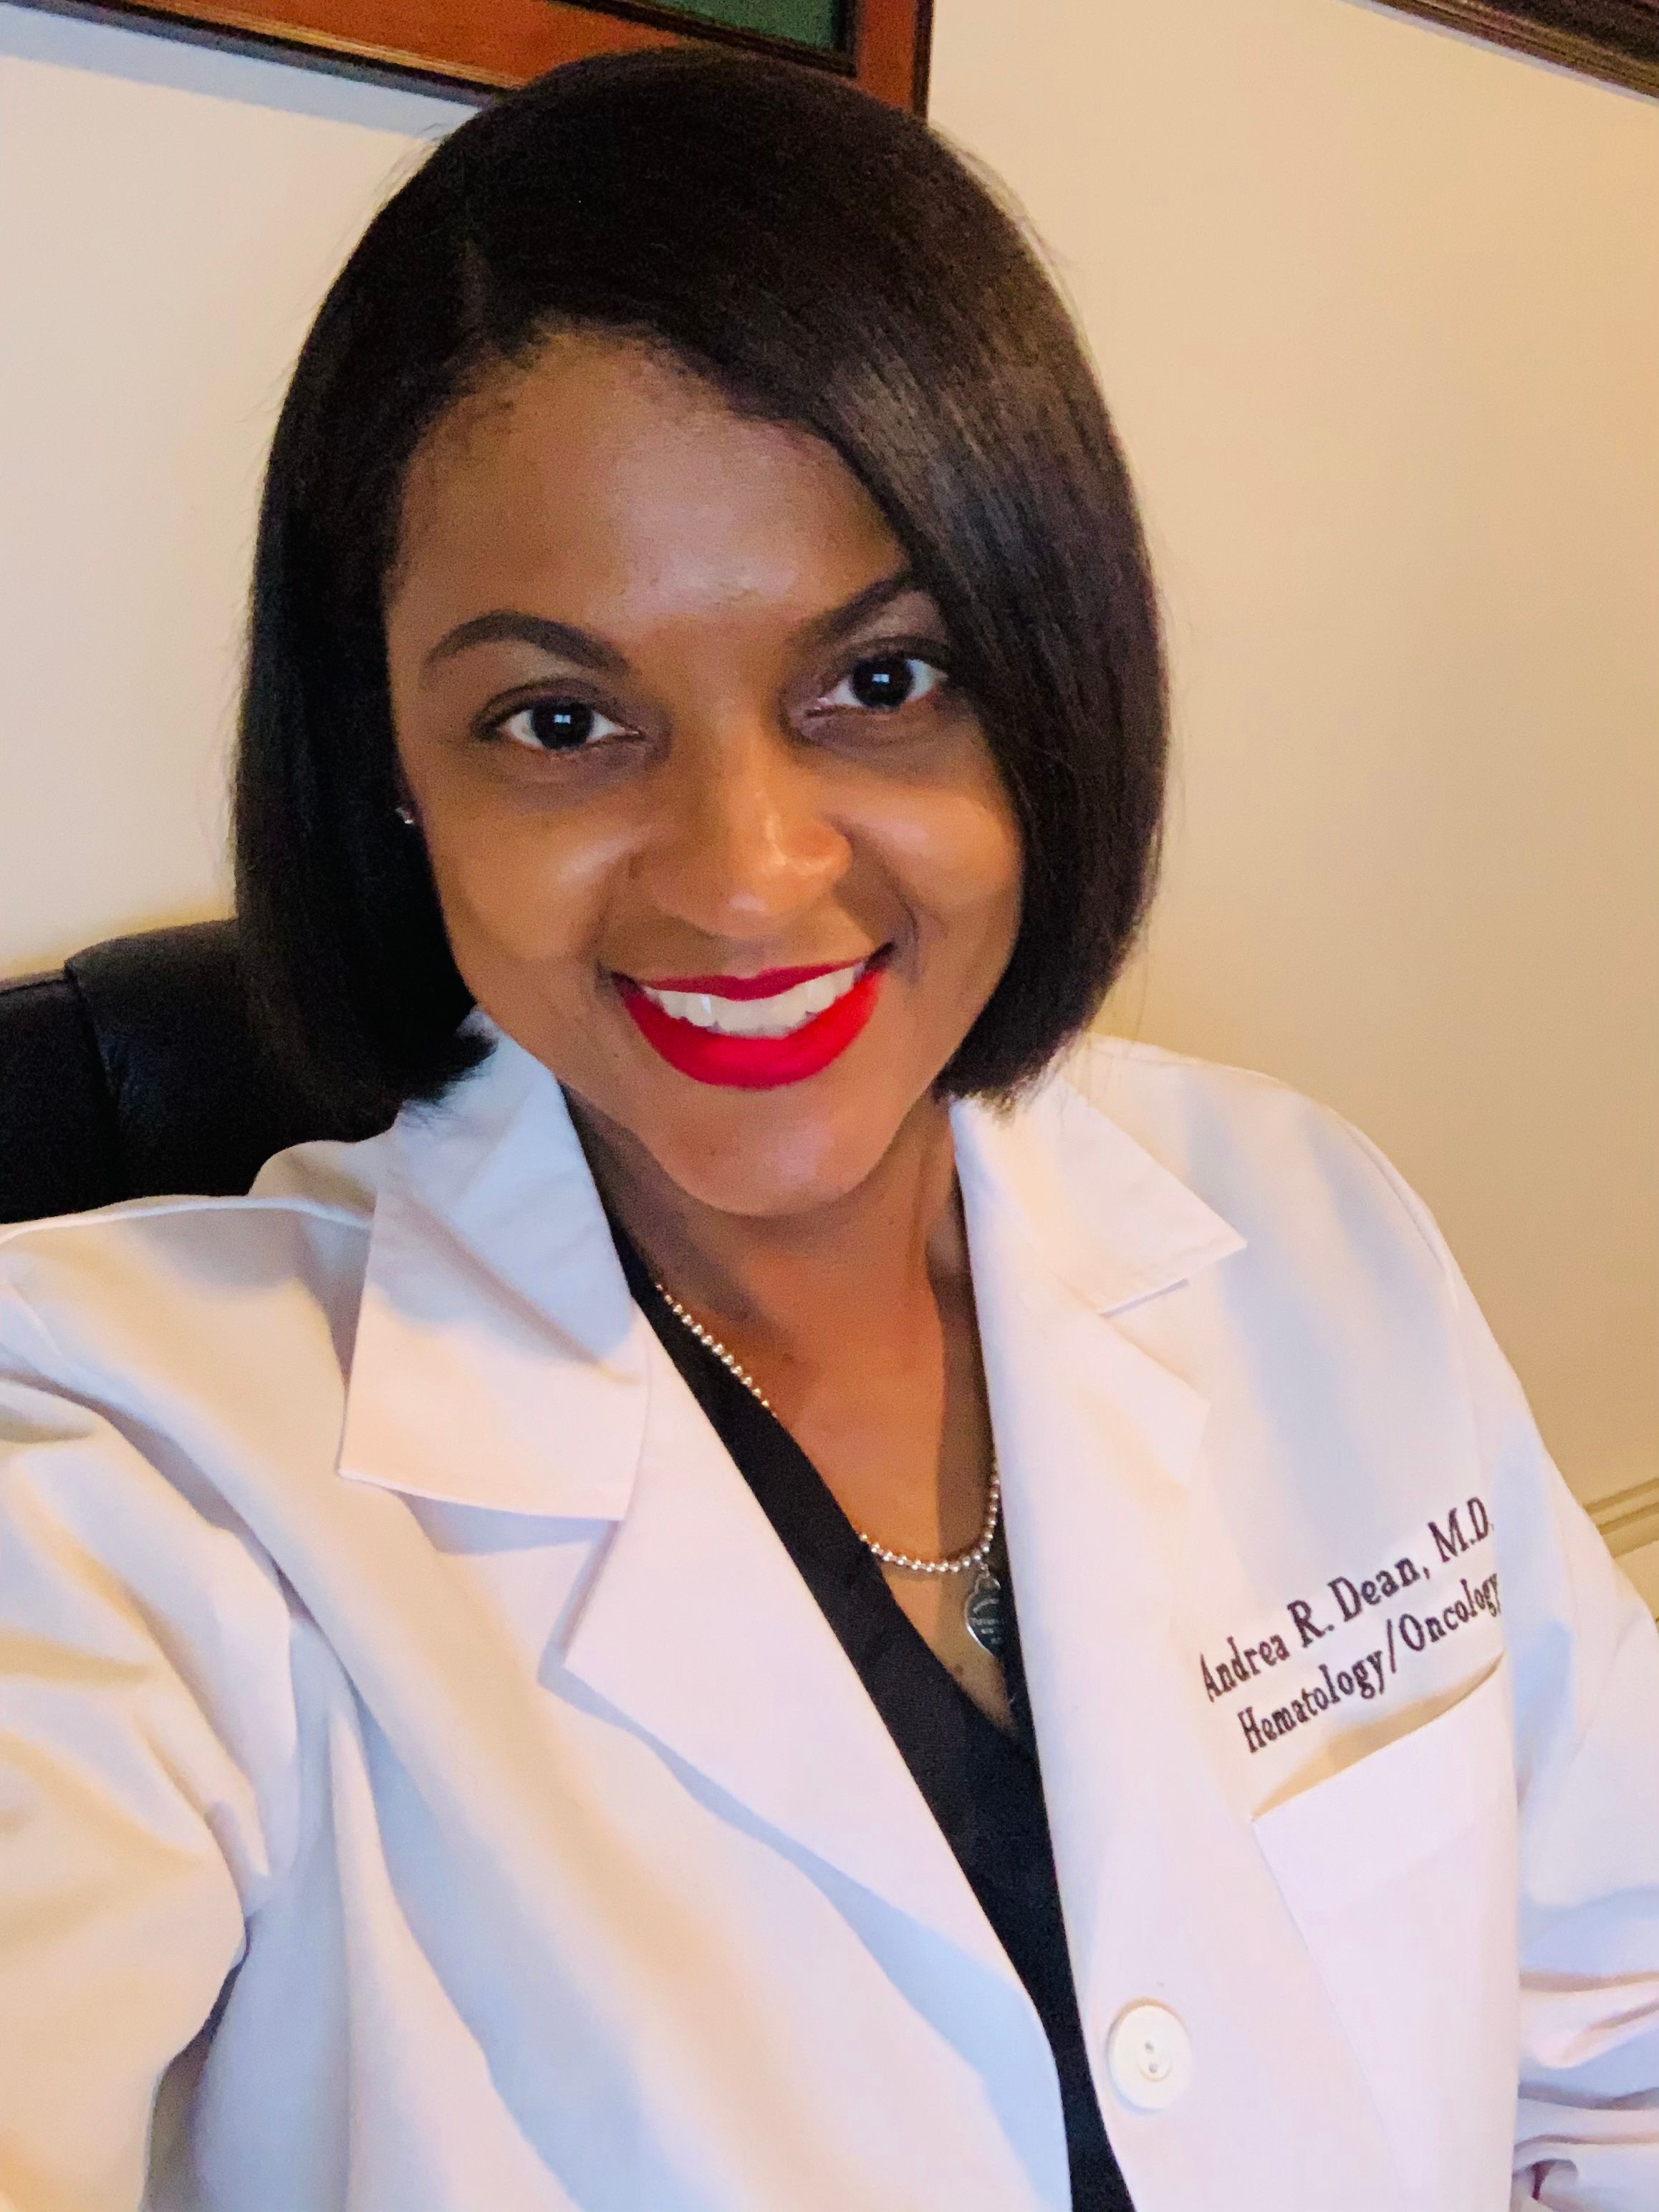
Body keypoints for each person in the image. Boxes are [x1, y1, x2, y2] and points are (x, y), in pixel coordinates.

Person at [0, 48, 1654, 2212]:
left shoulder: (1301, 1222)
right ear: (389, 763)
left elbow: (1610, 2044)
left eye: (879, 680)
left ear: (1052, 677)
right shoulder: (134, 1458)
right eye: (559, 720)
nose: (745, 878)